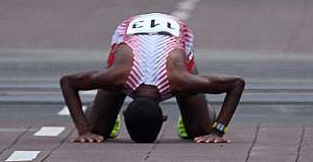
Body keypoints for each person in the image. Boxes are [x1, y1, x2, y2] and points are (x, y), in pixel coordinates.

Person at [60, 12, 246, 144]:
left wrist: (216, 131)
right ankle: (108, 115)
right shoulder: (116, 78)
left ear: (163, 117)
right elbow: (67, 82)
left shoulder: (181, 80)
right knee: (98, 129)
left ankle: (195, 114)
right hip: (131, 39)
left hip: (173, 44)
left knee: (199, 130)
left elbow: (237, 83)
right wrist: (84, 131)